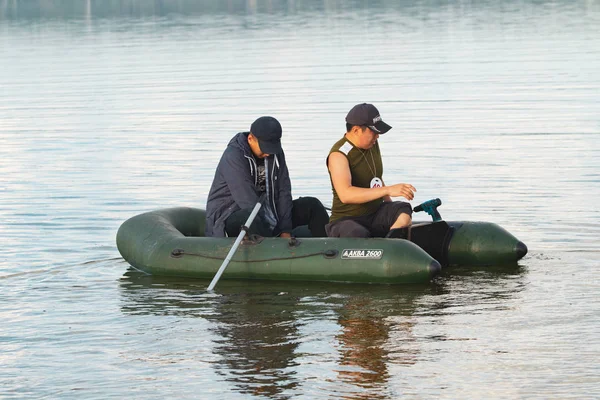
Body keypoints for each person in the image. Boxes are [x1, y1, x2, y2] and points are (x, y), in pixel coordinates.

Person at [205, 116, 329, 238]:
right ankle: (273, 250)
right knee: (251, 216)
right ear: (250, 139)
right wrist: (277, 236)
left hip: (270, 211)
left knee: (312, 205)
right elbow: (247, 201)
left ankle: (329, 249)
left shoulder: (275, 153)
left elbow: (283, 191)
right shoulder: (233, 157)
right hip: (231, 215)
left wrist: (285, 229)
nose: (268, 153)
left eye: (272, 148)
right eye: (265, 148)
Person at [325, 103, 416, 238]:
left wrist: (389, 205)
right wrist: (388, 190)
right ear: (356, 130)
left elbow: (376, 178)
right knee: (357, 233)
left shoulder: (371, 144)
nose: (377, 136)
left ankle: (390, 246)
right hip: (347, 220)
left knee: (403, 209)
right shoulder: (338, 155)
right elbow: (346, 195)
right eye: (373, 132)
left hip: (374, 213)